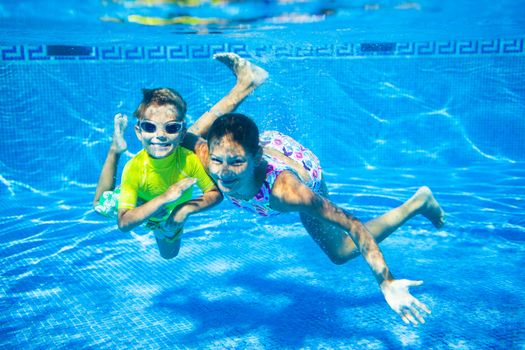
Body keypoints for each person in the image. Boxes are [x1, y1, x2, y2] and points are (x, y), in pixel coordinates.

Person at [185, 112, 445, 326]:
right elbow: (183, 136)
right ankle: (247, 82)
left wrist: (386, 281)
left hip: (301, 167)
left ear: (255, 157)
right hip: (265, 147)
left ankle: (418, 202)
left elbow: (352, 224)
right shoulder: (210, 157)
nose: (224, 172)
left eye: (237, 162)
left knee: (340, 252)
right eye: (218, 161)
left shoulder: (289, 193)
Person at [93, 53, 269, 259]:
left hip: (168, 216)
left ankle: (247, 83)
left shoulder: (188, 159)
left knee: (169, 254)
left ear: (181, 131)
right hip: (140, 208)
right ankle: (115, 149)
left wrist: (183, 210)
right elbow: (124, 223)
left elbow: (214, 194)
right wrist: (164, 198)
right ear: (138, 132)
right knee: (98, 205)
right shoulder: (134, 168)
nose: (159, 135)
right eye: (150, 127)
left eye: (171, 128)